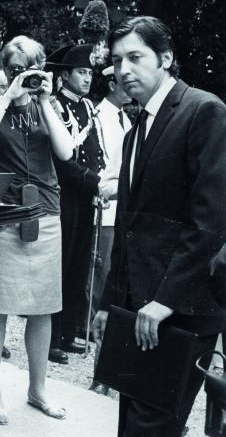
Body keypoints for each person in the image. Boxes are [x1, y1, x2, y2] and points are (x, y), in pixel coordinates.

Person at [92, 16, 226, 436]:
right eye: (117, 60)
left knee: (149, 430)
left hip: (180, 310)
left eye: (135, 57)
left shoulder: (204, 111)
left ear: (166, 58)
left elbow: (212, 219)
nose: (124, 69)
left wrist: (165, 300)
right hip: (137, 309)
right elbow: (131, 229)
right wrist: (109, 304)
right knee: (131, 424)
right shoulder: (136, 132)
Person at [0, 35, 74, 425]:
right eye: (16, 69)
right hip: (3, 216)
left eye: (31, 69)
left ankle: (38, 389)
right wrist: (9, 94)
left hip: (45, 213)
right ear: (5, 69)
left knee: (44, 308)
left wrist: (46, 100)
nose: (24, 77)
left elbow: (66, 152)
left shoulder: (47, 107)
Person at [48, 44, 105, 363]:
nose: (87, 78)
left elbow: (94, 151)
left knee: (80, 265)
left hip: (84, 195)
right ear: (65, 74)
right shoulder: (55, 106)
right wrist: (94, 180)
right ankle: (52, 337)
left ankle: (69, 333)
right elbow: (62, 159)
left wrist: (98, 181)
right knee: (61, 264)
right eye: (82, 72)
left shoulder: (87, 107)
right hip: (64, 194)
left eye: (89, 73)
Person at [87, 65, 131, 395]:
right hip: (104, 209)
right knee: (102, 280)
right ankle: (98, 365)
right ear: (112, 83)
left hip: (124, 212)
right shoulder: (99, 115)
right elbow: (102, 166)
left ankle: (110, 371)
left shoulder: (128, 120)